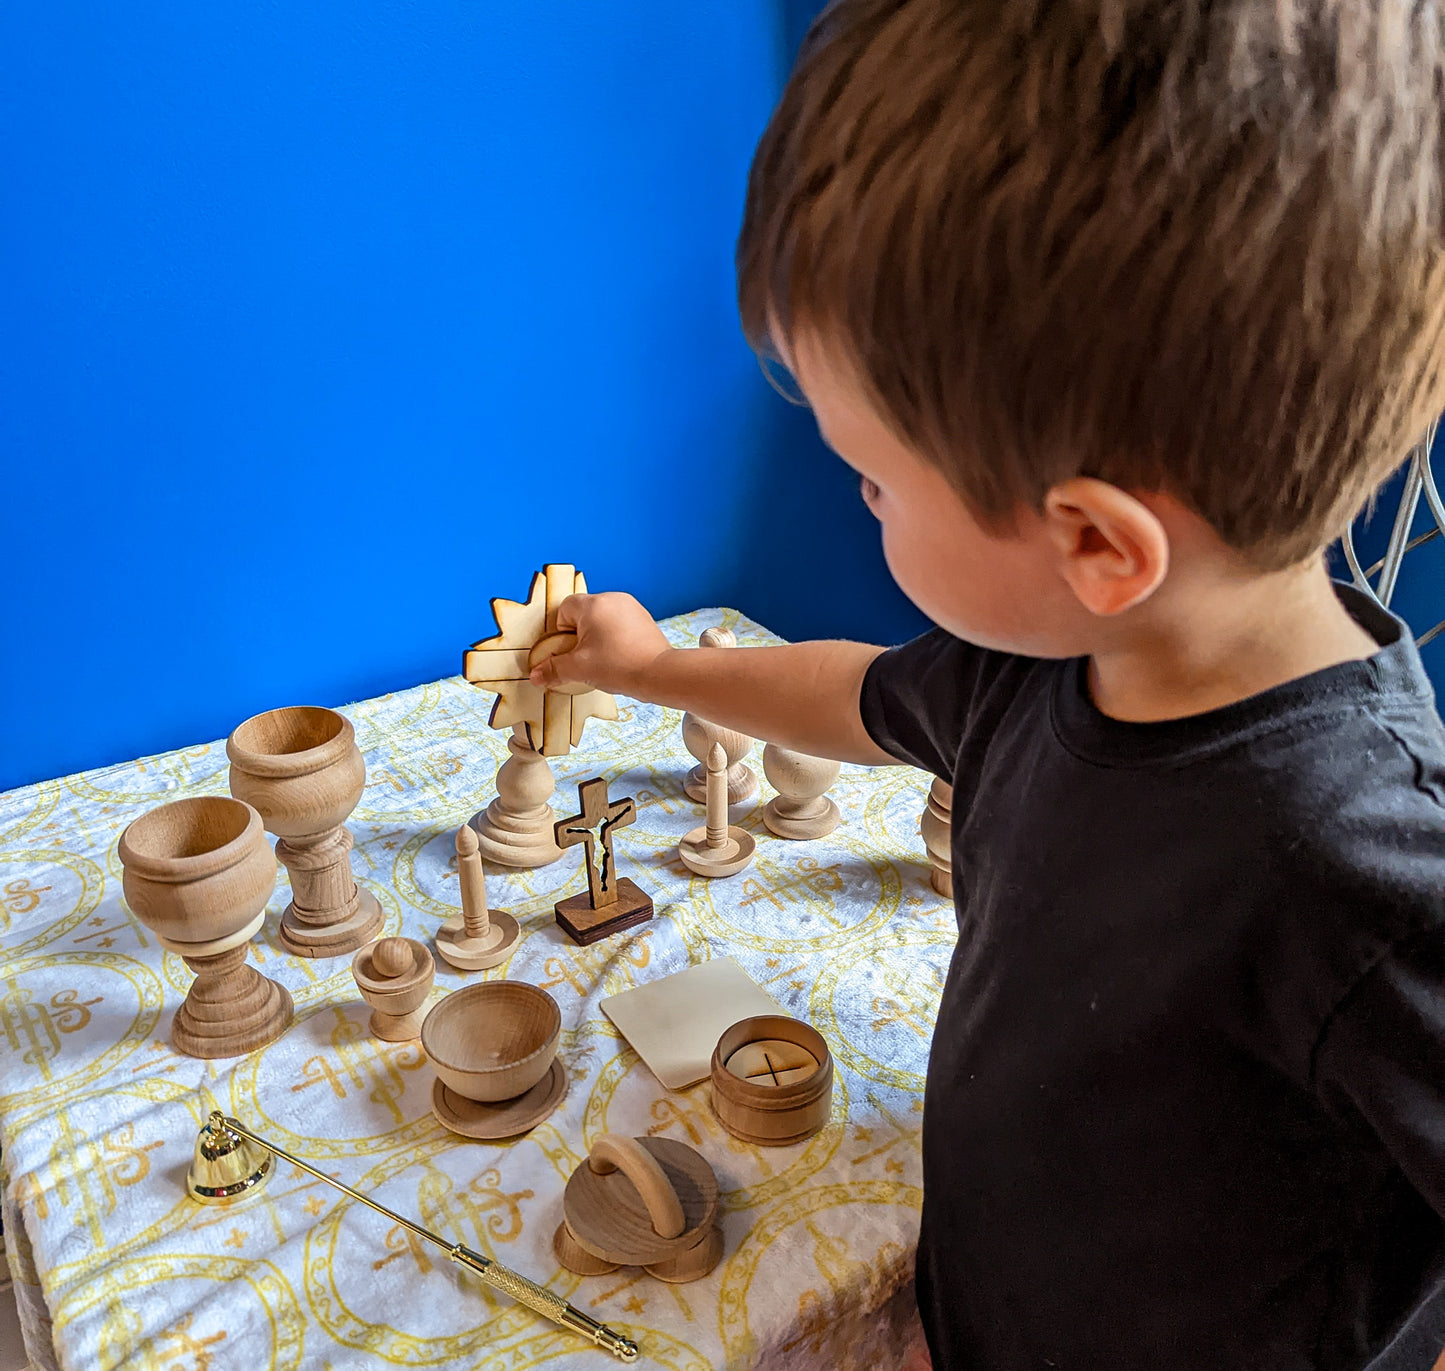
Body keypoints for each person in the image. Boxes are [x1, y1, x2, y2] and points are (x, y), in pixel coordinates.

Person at [532, 1, 1445, 1365]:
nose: (859, 501)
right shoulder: (1058, 658)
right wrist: (657, 665)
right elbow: (860, 697)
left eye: (873, 480)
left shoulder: (1361, 869)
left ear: (1091, 542)